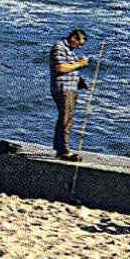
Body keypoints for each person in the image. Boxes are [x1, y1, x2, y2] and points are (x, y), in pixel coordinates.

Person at [48, 28, 91, 160]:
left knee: (65, 118)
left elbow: (69, 70)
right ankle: (64, 152)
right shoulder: (59, 47)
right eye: (79, 44)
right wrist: (80, 64)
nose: (79, 47)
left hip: (70, 88)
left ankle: (59, 149)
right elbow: (60, 67)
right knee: (66, 119)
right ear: (73, 38)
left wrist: (79, 82)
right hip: (63, 89)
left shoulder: (69, 51)